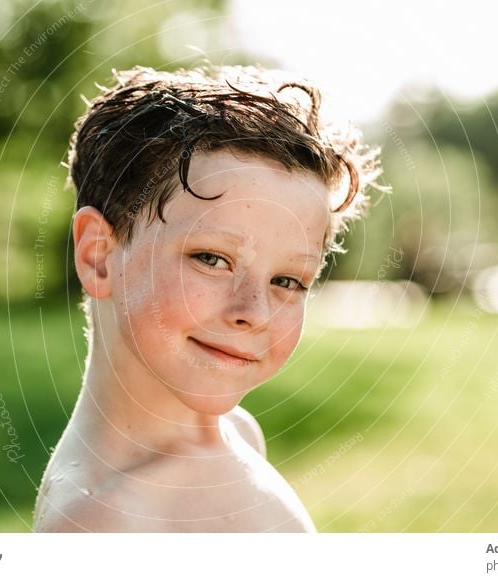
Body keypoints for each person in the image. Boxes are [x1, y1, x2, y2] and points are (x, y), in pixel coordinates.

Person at [33, 65, 381, 532]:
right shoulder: (106, 524)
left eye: (288, 281)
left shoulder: (238, 433)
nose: (253, 313)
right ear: (98, 256)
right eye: (212, 259)